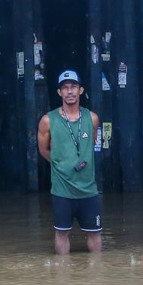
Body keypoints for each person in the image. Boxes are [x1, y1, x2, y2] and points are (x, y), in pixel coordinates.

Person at [38, 70, 101, 255]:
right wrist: (58, 165)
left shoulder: (92, 118)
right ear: (59, 93)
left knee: (95, 235)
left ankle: (96, 278)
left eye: (73, 87)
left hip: (89, 189)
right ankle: (62, 279)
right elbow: (43, 150)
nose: (70, 91)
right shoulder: (48, 120)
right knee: (61, 233)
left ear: (81, 90)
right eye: (65, 88)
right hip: (62, 189)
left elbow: (93, 143)